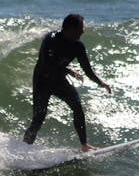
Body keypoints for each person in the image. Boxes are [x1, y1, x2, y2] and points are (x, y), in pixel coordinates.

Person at [23, 13, 112, 151]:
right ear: (70, 29)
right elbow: (47, 63)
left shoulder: (78, 46)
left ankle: (84, 145)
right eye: (80, 28)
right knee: (38, 118)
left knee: (77, 107)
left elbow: (87, 69)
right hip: (42, 80)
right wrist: (68, 71)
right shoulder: (51, 39)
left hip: (58, 80)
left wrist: (101, 83)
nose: (83, 31)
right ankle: (24, 147)